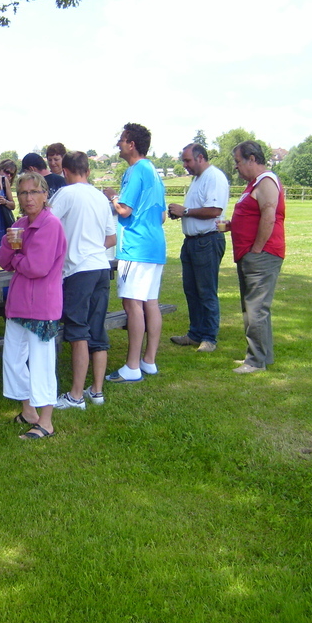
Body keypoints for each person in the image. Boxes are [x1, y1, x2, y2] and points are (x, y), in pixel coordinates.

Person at [0, 173, 67, 439]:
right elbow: (1, 260)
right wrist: (9, 243)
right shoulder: (20, 224)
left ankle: (46, 422)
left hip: (41, 305)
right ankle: (28, 411)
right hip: (18, 303)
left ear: (45, 194)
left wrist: (17, 258)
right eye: (23, 193)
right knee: (13, 360)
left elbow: (37, 267)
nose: (28, 198)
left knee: (41, 363)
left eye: (34, 192)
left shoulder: (50, 225)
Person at [50, 151, 117, 410]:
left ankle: (76, 396)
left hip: (79, 270)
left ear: (65, 171)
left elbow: (46, 224)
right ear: (87, 170)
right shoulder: (100, 197)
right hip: (101, 267)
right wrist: (90, 245)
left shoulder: (66, 194)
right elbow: (111, 238)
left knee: (78, 331)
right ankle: (97, 391)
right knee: (97, 329)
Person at [106, 123, 167, 383]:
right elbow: (163, 215)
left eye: (121, 140)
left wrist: (111, 197)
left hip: (136, 248)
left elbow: (124, 210)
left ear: (131, 144)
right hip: (155, 246)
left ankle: (132, 367)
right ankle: (148, 361)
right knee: (150, 302)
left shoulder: (135, 170)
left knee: (132, 304)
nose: (118, 144)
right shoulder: (154, 172)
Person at [228, 141, 286, 374]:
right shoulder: (254, 183)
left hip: (261, 255)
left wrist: (257, 249)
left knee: (256, 309)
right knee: (252, 308)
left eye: (238, 162)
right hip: (251, 254)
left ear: (252, 159)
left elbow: (269, 217)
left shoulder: (266, 182)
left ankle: (255, 362)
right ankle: (261, 355)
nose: (237, 167)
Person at [167, 143, 230, 353]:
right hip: (193, 242)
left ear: (200, 157)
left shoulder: (214, 177)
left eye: (188, 161)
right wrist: (182, 213)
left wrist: (184, 211)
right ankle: (195, 334)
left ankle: (209, 338)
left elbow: (214, 210)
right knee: (191, 290)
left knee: (206, 291)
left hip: (207, 241)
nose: (185, 165)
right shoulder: (198, 179)